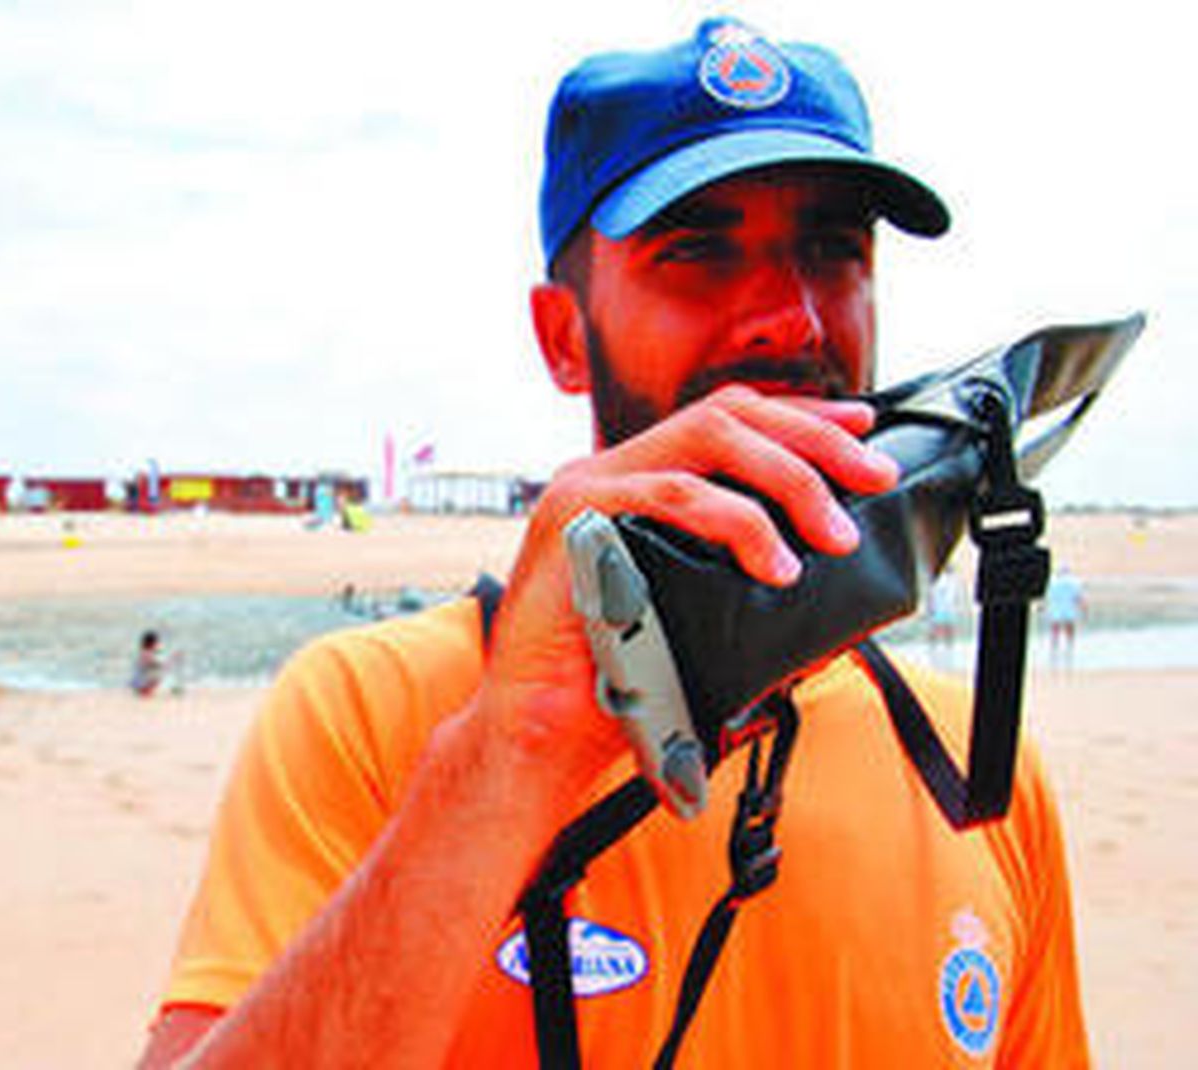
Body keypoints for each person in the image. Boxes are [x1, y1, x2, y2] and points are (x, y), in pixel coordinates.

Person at [140, 17, 1087, 1067]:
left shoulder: (974, 762)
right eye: (698, 251)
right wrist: (514, 752)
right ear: (563, 336)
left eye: (833, 248)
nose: (792, 318)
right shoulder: (372, 710)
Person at [1045, 564, 1086, 668]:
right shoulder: (1074, 583)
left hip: (1056, 610)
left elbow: (1048, 597)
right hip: (1069, 610)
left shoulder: (1053, 583)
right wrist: (1084, 610)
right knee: (1070, 631)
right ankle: (1069, 650)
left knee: (1055, 631)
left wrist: (1044, 608)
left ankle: (1054, 651)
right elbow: (1079, 598)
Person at [130, 629, 167, 697]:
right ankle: (146, 691)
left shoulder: (143, 652)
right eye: (156, 643)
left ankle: (147, 691)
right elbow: (157, 665)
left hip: (137, 682)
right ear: (151, 643)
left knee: (157, 672)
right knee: (157, 673)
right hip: (141, 684)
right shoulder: (146, 654)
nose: (157, 645)